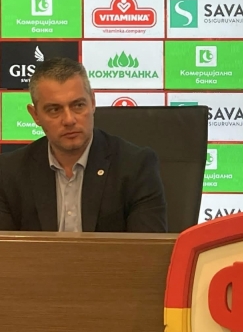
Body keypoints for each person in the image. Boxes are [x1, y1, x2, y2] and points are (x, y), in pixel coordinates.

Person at [0, 57, 167, 232]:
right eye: (54, 110)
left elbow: (147, 246)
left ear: (92, 102)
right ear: (35, 115)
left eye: (78, 105)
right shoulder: (8, 172)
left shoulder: (136, 166)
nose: (69, 120)